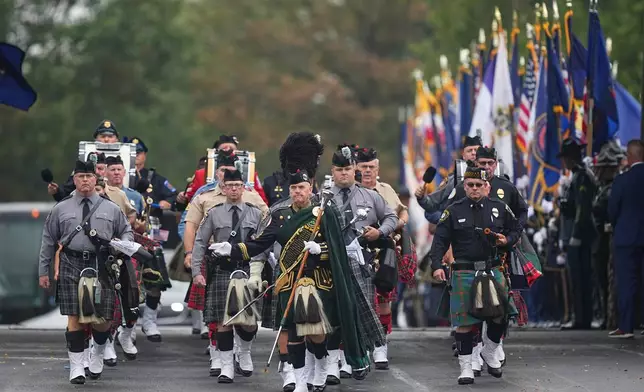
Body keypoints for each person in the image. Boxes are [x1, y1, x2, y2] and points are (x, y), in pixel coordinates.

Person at [209, 169, 371, 392]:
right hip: (289, 280)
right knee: (293, 331)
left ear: (310, 188)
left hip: (318, 281)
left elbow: (337, 249)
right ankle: (300, 380)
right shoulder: (280, 215)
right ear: (289, 190)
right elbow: (261, 243)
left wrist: (319, 249)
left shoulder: (324, 213)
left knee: (315, 331)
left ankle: (322, 365)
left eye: (301, 188)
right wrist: (233, 249)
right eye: (294, 188)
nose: (297, 192)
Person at [38, 160, 133, 384]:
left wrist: (122, 247)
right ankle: (77, 366)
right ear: (74, 180)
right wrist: (44, 271)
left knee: (103, 320)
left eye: (89, 176)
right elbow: (48, 241)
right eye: (80, 177)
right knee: (75, 318)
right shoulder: (61, 207)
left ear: (95, 179)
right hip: (71, 262)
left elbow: (126, 232)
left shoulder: (110, 207)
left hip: (102, 264)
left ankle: (98, 351)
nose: (85, 181)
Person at [425, 167, 521, 385]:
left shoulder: (500, 208)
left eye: (479, 185)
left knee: (501, 316)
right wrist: (437, 265)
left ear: (487, 187)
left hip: (493, 268)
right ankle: (466, 366)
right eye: (470, 185)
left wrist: (507, 240)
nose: (475, 189)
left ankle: (489, 350)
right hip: (464, 270)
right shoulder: (453, 210)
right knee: (464, 322)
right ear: (464, 187)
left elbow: (517, 229)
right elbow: (439, 241)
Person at [183, 148, 268, 373]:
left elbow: (264, 241)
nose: (233, 189)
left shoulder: (255, 212)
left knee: (248, 321)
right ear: (223, 186)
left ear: (243, 186)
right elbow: (200, 242)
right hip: (221, 268)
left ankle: (246, 353)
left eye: (237, 185)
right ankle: (226, 366)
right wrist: (196, 272)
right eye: (229, 186)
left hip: (247, 268)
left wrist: (262, 268)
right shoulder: (214, 212)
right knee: (222, 321)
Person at [327, 146, 396, 381]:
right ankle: (338, 360)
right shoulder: (324, 197)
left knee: (361, 309)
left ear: (353, 170)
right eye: (339, 170)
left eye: (347, 169)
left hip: (362, 260)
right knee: (336, 311)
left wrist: (379, 232)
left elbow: (392, 217)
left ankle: (355, 356)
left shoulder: (370, 195)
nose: (344, 174)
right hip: (331, 262)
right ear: (333, 172)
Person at [355, 146, 412, 370]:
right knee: (357, 300)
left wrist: (397, 224)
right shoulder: (350, 190)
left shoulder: (386, 189)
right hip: (357, 250)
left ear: (377, 168)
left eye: (371, 167)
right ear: (356, 168)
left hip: (384, 250)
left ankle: (380, 345)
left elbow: (403, 211)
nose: (368, 171)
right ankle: (357, 345)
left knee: (384, 299)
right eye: (363, 167)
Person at [124, 136, 177, 342]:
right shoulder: (121, 178)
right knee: (128, 283)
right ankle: (127, 326)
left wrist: (166, 202)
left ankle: (149, 321)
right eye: (132, 153)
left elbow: (175, 196)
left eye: (139, 153)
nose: (136, 158)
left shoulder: (154, 178)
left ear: (144, 155)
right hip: (128, 237)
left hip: (152, 236)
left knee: (155, 281)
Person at [558, 138, 598, 330]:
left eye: (565, 157)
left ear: (570, 158)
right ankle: (581, 317)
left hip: (581, 236)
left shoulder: (582, 176)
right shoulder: (576, 176)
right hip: (577, 233)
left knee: (580, 278)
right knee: (578, 278)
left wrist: (575, 235)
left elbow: (583, 208)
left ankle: (582, 318)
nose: (564, 162)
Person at [608, 139, 644, 338]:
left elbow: (612, 210)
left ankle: (626, 326)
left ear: (629, 157)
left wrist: (617, 225)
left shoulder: (622, 180)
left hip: (626, 237)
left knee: (627, 282)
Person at [47, 120, 120, 201]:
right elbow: (67, 193)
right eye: (102, 136)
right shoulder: (84, 162)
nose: (106, 140)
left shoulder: (125, 160)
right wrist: (56, 192)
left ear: (116, 139)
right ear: (96, 139)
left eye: (110, 136)